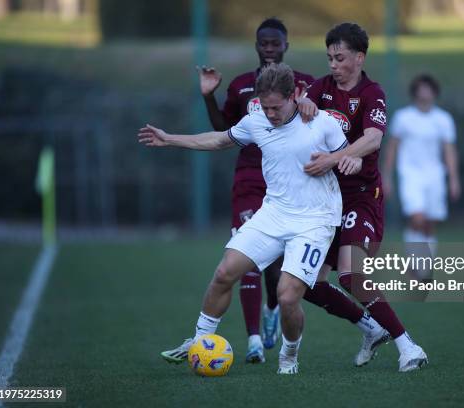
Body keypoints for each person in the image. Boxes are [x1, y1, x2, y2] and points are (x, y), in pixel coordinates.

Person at [139, 63, 363, 374]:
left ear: (294, 95)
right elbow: (218, 140)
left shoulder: (321, 122)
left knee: (286, 296)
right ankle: (200, 341)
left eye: (276, 107)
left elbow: (351, 156)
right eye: (265, 106)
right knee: (224, 272)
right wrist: (170, 139)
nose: (270, 113)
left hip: (315, 220)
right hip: (273, 213)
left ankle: (289, 357)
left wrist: (346, 163)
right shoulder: (256, 121)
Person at [297, 22, 428, 372]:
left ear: (359, 57)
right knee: (303, 282)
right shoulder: (320, 88)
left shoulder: (372, 92)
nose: (333, 65)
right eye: (329, 58)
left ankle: (408, 347)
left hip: (360, 199)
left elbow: (373, 138)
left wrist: (335, 157)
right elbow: (299, 109)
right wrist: (303, 104)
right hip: (325, 202)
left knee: (352, 275)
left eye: (339, 58)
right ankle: (369, 328)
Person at [193, 18, 315, 361]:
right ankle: (253, 341)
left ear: (286, 45)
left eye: (276, 43)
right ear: (257, 46)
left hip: (288, 182)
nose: (270, 49)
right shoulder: (243, 85)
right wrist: (208, 96)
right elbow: (223, 129)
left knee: (276, 266)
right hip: (250, 178)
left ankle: (273, 308)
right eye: (264, 43)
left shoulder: (304, 84)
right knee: (246, 262)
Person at [383, 74, 460, 274]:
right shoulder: (403, 117)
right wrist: (387, 177)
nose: (424, 93)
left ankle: (425, 266)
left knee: (429, 222)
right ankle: (416, 265)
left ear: (434, 92)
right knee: (417, 217)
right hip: (411, 174)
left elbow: (449, 150)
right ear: (415, 92)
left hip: (435, 175)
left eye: (428, 89)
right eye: (421, 89)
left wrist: (453, 179)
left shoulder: (443, 119)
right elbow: (392, 148)